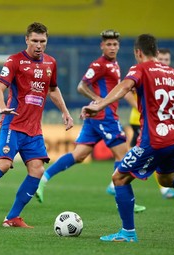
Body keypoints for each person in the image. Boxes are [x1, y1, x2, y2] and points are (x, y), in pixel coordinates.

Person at [83, 34, 174, 242]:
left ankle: (127, 233)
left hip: (155, 139)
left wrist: (99, 105)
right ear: (156, 52)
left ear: (138, 52)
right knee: (168, 178)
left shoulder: (140, 69)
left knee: (119, 177)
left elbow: (124, 87)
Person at [0, 22, 74, 228]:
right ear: (26, 40)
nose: (39, 45)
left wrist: (65, 112)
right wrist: (1, 107)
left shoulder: (51, 63)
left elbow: (53, 90)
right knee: (4, 164)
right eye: (34, 41)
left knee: (37, 170)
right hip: (13, 124)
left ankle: (12, 217)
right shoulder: (14, 61)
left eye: (42, 41)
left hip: (34, 130)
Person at [35, 29, 146, 213]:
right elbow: (81, 86)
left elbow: (120, 90)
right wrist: (99, 101)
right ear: (102, 46)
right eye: (108, 44)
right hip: (106, 117)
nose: (112, 47)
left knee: (78, 155)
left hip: (97, 117)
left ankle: (44, 178)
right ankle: (122, 196)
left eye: (115, 44)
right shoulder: (99, 64)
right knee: (123, 157)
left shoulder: (114, 64)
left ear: (118, 46)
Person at [106, 48, 174, 199]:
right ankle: (115, 183)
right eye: (161, 59)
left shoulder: (169, 76)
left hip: (159, 125)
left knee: (142, 154)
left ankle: (114, 183)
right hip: (141, 121)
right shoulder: (145, 73)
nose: (164, 62)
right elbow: (126, 90)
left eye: (167, 60)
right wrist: (138, 106)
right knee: (145, 154)